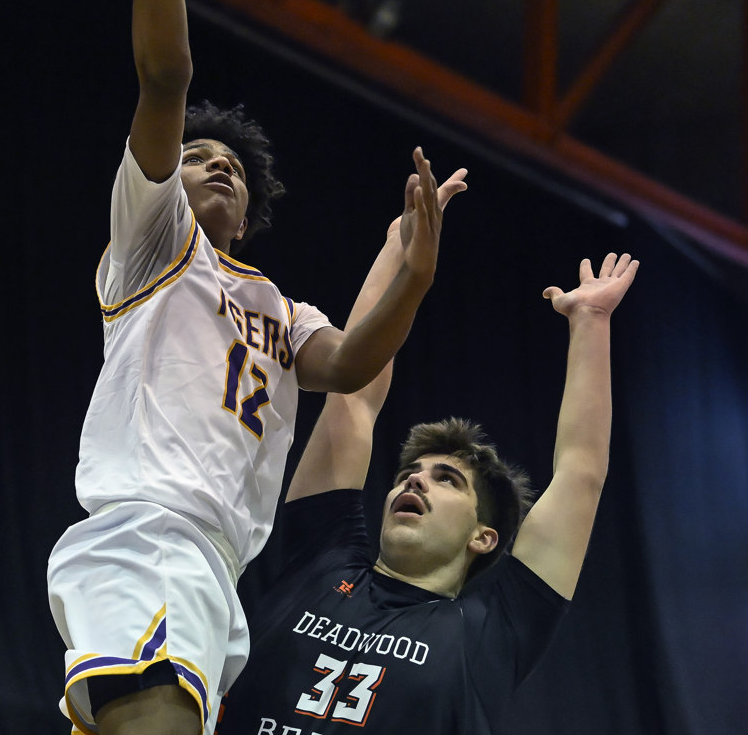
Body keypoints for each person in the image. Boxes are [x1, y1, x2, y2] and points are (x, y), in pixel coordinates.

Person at [47, 0, 462, 735]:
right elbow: (166, 77)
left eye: (231, 163)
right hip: (149, 534)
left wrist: (416, 275)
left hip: (213, 565)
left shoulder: (278, 305)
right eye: (196, 157)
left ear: (253, 205)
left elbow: (351, 366)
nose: (215, 164)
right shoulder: (154, 244)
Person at [217, 243, 639, 734]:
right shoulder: (321, 558)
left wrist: (591, 319)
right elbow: (353, 395)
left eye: (447, 480)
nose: (415, 479)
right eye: (407, 474)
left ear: (483, 536)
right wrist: (400, 243)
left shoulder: (493, 630)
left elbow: (580, 472)